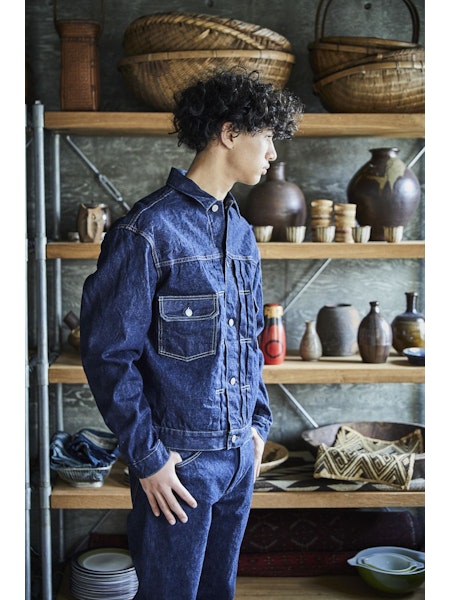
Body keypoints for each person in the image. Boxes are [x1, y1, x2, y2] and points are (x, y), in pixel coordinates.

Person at [80, 68, 304, 600]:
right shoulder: (145, 231)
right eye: (266, 136)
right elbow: (108, 356)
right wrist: (148, 459)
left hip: (239, 457)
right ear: (229, 132)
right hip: (178, 464)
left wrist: (257, 426)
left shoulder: (242, 232)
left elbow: (248, 341)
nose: (273, 153)